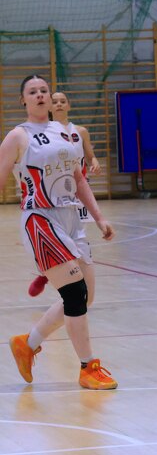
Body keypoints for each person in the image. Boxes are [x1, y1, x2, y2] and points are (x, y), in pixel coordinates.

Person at [2, 75, 117, 390]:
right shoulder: (18, 136)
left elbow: (78, 179)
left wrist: (99, 217)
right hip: (40, 218)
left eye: (44, 90)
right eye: (32, 92)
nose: (40, 95)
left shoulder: (63, 133)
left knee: (85, 296)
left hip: (71, 219)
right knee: (74, 293)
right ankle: (88, 367)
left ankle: (27, 343)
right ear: (23, 100)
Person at [28, 90, 102, 297]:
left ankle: (74, 280)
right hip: (54, 191)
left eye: (63, 101)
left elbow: (90, 155)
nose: (59, 104)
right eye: (55, 101)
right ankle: (45, 272)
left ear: (69, 105)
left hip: (78, 189)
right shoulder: (43, 134)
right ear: (49, 106)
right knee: (56, 235)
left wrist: (95, 162)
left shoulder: (80, 131)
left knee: (78, 235)